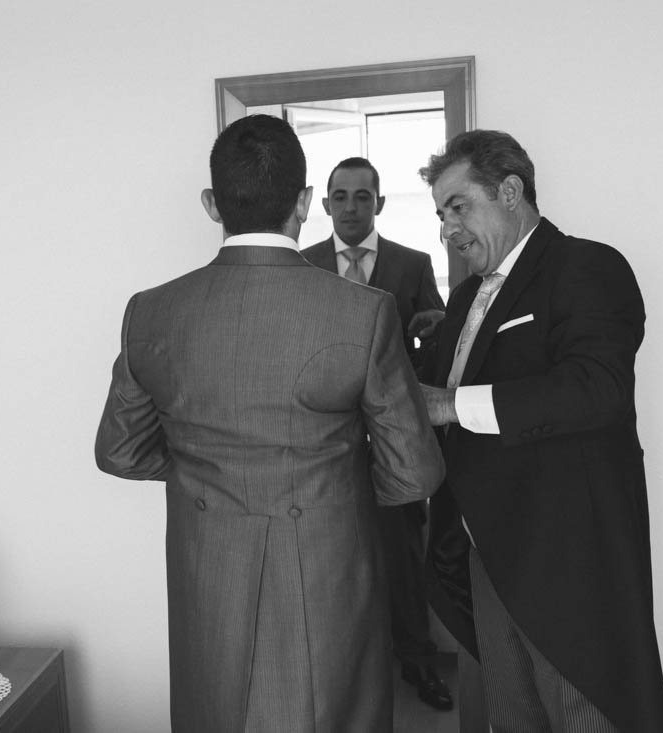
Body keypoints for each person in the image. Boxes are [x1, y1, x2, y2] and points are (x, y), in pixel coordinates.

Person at [95, 114, 444, 733]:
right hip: (330, 561)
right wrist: (334, 480)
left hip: (208, 557)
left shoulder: (150, 312)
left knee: (215, 709)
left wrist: (204, 471)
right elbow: (412, 474)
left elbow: (120, 452)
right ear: (306, 202)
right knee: (333, 710)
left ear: (212, 204)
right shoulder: (364, 313)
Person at [418, 129, 663, 732]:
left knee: (586, 719)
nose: (448, 229)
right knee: (513, 720)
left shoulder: (587, 266)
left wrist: (451, 404)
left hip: (568, 558)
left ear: (510, 192)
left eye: (459, 206)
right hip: (486, 556)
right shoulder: (463, 299)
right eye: (441, 215)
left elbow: (597, 388)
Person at [300, 157, 453, 712]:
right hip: (324, 441)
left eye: (362, 196)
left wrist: (434, 332)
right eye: (340, 196)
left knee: (403, 556)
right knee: (329, 559)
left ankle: (417, 660)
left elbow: (439, 344)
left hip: (394, 440)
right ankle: (340, 672)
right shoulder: (303, 265)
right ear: (324, 205)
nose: (350, 207)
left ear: (379, 204)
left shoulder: (413, 264)